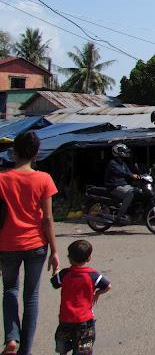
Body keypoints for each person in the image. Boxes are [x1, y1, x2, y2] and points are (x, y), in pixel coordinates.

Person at [0, 130, 59, 355]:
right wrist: (54, 251)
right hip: (36, 244)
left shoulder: (2, 179)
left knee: (9, 290)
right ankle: (25, 350)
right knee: (31, 296)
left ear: (14, 152)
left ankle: (12, 338)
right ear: (36, 154)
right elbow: (48, 218)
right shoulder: (43, 179)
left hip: (6, 244)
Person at [51, 240, 111, 355]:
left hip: (66, 318)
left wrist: (56, 271)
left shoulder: (64, 274)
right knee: (84, 349)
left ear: (69, 257)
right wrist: (97, 293)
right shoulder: (92, 275)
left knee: (62, 345)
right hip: (85, 320)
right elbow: (108, 286)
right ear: (89, 258)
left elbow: (55, 284)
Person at [104, 144, 139, 224]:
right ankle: (119, 217)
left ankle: (132, 212)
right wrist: (132, 175)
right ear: (118, 152)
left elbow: (129, 172)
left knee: (138, 191)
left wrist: (140, 177)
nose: (125, 153)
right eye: (124, 151)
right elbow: (122, 172)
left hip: (123, 185)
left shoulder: (122, 163)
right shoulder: (113, 163)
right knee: (129, 194)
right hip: (114, 186)